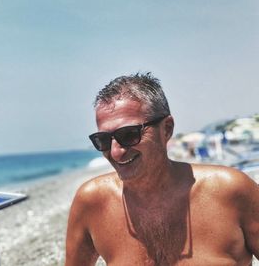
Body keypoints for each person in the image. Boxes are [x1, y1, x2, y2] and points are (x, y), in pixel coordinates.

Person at [65, 72, 259, 266]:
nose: (115, 152)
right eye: (103, 140)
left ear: (166, 128)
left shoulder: (231, 190)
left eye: (129, 134)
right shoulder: (92, 202)